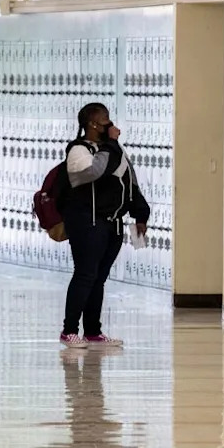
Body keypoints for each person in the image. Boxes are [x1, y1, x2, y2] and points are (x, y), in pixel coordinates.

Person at [59, 103, 149, 348]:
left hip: (112, 224)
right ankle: (69, 330)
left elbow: (129, 181)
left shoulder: (113, 150)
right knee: (85, 274)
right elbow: (96, 171)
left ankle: (92, 331)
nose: (110, 123)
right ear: (93, 124)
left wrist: (141, 214)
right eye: (105, 119)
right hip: (87, 221)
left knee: (98, 278)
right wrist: (111, 144)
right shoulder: (79, 150)